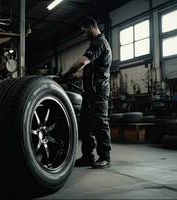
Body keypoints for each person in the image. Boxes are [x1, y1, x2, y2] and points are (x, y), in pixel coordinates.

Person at [62, 17, 112, 169]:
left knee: (100, 123)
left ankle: (105, 157)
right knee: (85, 124)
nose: (84, 35)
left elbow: (82, 62)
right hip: (89, 92)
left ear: (91, 27)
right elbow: (87, 70)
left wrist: (67, 72)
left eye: (84, 31)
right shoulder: (95, 44)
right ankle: (87, 156)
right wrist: (70, 76)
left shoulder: (99, 42)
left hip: (98, 91)